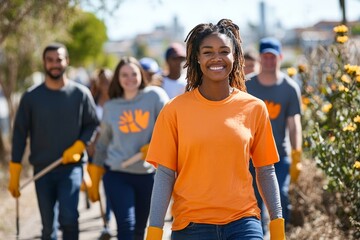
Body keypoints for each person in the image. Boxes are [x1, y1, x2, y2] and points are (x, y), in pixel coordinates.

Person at [145, 19, 285, 240]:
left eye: (224, 51)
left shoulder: (254, 108)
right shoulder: (174, 110)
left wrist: (277, 225)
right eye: (208, 52)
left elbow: (265, 171)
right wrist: (154, 230)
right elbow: (164, 174)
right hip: (191, 226)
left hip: (244, 222)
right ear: (197, 58)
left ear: (234, 57)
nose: (216, 58)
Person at [8, 42, 99, 240]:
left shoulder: (80, 94)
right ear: (44, 63)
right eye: (50, 60)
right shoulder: (31, 97)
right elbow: (19, 134)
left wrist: (79, 145)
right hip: (42, 170)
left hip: (71, 168)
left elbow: (92, 124)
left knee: (69, 219)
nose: (54, 64)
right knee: (48, 228)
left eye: (59, 59)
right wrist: (15, 168)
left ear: (67, 61)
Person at [87, 56, 169, 240]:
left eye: (134, 73)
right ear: (118, 78)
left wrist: (156, 145)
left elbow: (170, 127)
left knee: (139, 231)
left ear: (141, 74)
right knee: (126, 228)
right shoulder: (111, 106)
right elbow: (104, 141)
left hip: (147, 175)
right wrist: (96, 169)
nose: (130, 78)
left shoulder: (155, 96)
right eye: (124, 74)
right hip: (117, 173)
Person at [246, 37, 302, 233]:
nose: (269, 61)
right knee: (254, 200)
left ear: (280, 57)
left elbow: (294, 124)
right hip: (251, 157)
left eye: (273, 57)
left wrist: (297, 154)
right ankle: (258, 234)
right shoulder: (247, 85)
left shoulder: (289, 88)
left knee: (282, 196)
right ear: (260, 58)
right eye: (265, 56)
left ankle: (280, 234)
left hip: (279, 156)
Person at [86, 68, 113, 222]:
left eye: (108, 80)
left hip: (112, 149)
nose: (105, 84)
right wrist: (90, 143)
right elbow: (88, 124)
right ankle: (104, 218)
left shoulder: (118, 100)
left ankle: (107, 219)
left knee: (108, 184)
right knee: (97, 185)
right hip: (95, 149)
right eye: (102, 81)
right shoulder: (92, 100)